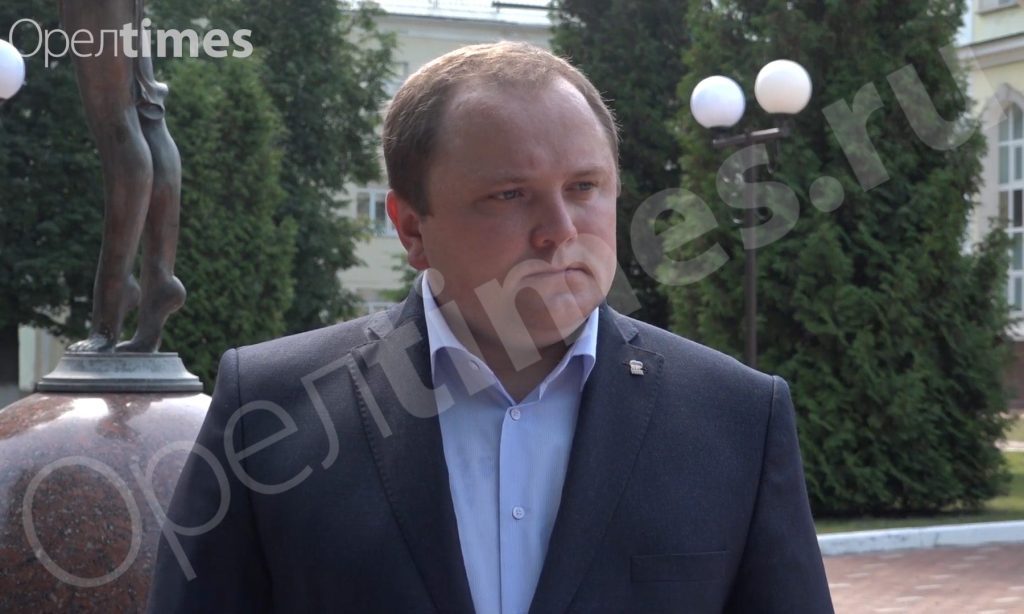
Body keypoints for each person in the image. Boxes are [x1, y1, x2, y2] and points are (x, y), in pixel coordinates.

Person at [147, 42, 833, 613]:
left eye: (584, 187)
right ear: (411, 228)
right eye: (510, 195)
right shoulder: (271, 410)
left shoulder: (737, 418)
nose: (560, 231)